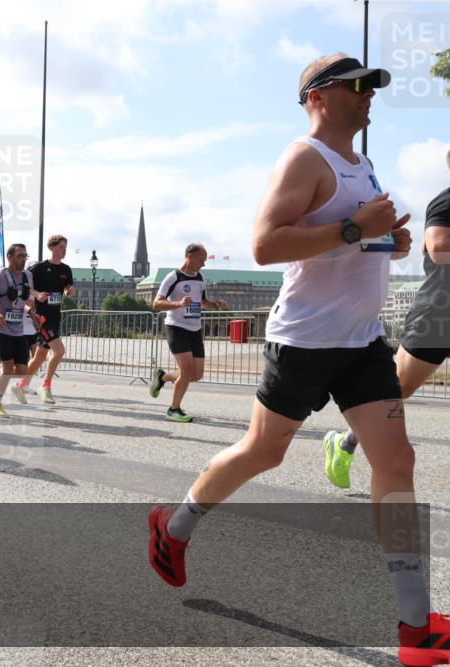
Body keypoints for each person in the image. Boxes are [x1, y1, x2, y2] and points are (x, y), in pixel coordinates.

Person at [146, 54, 447, 667]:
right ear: (318, 95)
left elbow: (354, 240)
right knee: (264, 452)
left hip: (362, 343)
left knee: (397, 459)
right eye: (358, 86)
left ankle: (416, 625)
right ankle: (173, 527)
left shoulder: (362, 164)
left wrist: (388, 240)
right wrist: (354, 230)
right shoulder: (304, 157)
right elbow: (265, 244)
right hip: (305, 341)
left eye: (372, 87)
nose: (369, 96)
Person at [322, 148, 450, 488]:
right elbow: (439, 247)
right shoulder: (445, 201)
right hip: (439, 316)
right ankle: (344, 443)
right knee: (393, 393)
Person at [148, 244, 228, 422]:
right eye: (202, 260)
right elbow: (156, 304)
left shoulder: (201, 278)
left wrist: (216, 304)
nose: (204, 264)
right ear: (190, 257)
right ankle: (174, 409)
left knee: (196, 375)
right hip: (176, 327)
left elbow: (203, 302)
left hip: (195, 329)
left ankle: (164, 377)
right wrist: (178, 304)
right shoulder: (173, 277)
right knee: (185, 371)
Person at [0, 243, 39, 418]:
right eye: (20, 256)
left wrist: (32, 314)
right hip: (1, 328)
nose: (23, 259)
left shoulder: (28, 276)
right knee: (8, 368)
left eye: (25, 255)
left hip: (19, 329)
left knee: (21, 370)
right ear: (10, 257)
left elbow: (25, 301)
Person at [16, 235, 75, 404]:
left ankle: (20, 385)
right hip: (42, 317)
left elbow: (68, 288)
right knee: (59, 351)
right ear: (52, 248)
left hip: (56, 316)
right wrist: (37, 294)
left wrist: (69, 291)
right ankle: (46, 386)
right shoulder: (39, 268)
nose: (64, 251)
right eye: (62, 247)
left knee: (40, 357)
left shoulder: (66, 269)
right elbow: (26, 289)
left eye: (65, 247)